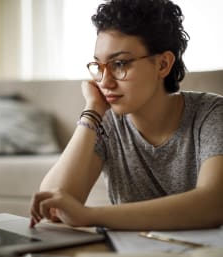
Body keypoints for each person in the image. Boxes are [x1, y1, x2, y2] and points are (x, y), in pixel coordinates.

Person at [30, 0, 223, 230]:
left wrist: (90, 215)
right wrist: (91, 111)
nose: (105, 81)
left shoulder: (211, 114)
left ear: (163, 64)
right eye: (99, 66)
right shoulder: (106, 123)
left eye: (119, 64)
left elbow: (212, 204)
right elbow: (52, 205)